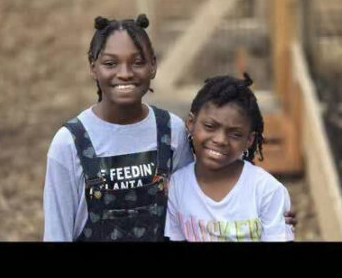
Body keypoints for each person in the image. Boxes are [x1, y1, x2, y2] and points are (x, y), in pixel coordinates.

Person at [43, 16, 297, 242]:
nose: (124, 73)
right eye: (111, 64)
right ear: (93, 67)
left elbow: (196, 200)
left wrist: (268, 217)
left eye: (137, 62)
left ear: (153, 66)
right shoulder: (71, 143)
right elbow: (57, 231)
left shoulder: (170, 131)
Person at [164, 73, 295, 242]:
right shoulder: (177, 186)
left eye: (235, 134)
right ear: (191, 123)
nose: (220, 140)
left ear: (249, 140)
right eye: (210, 126)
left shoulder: (267, 191)